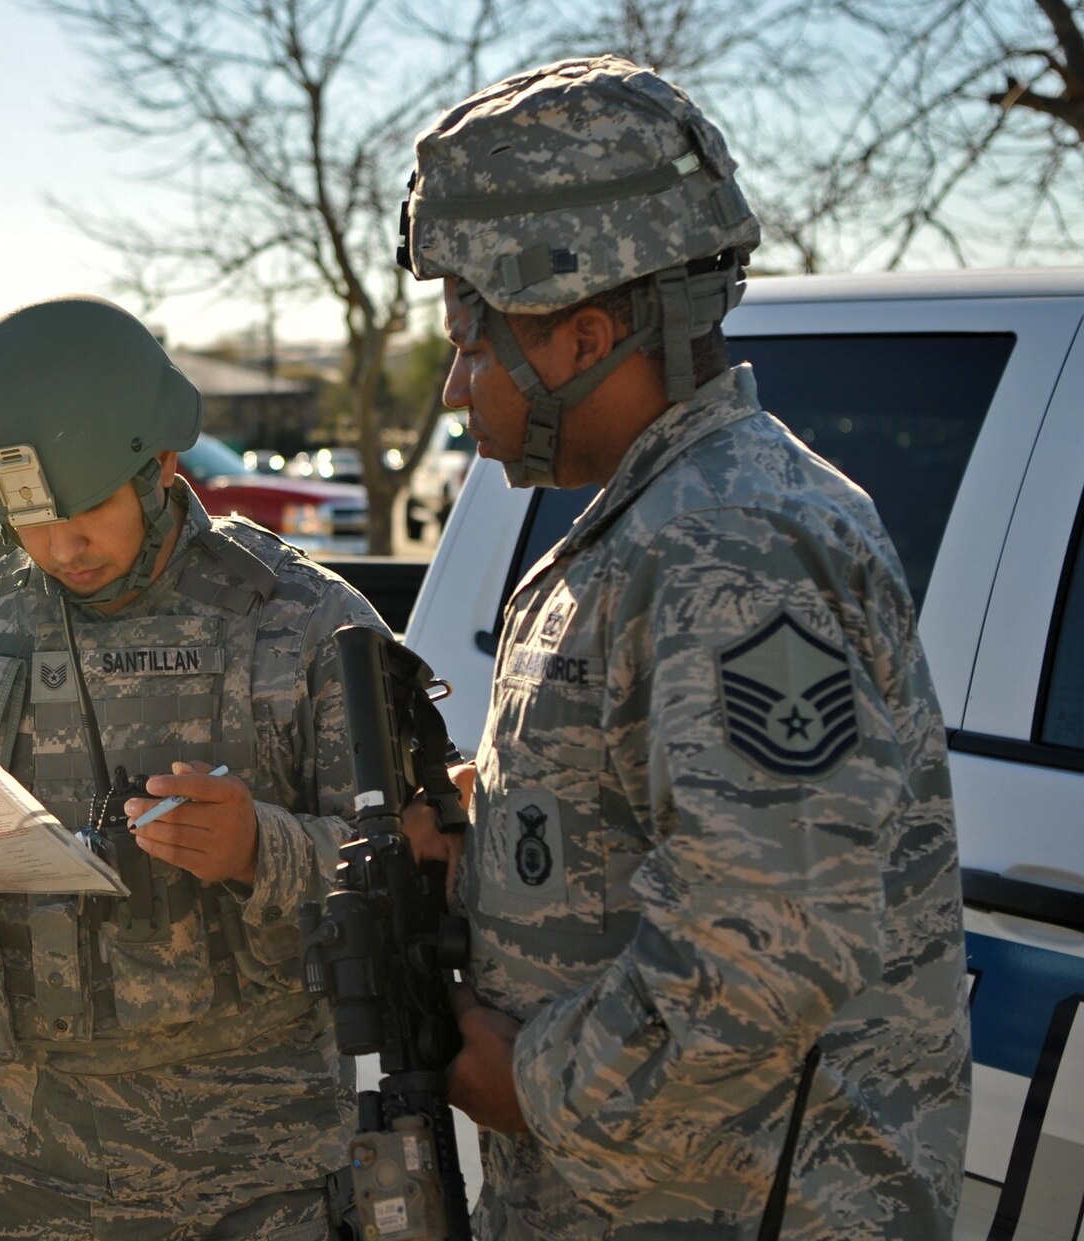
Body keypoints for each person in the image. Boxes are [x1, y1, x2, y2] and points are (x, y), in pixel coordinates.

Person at [394, 56, 971, 1237]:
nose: (457, 386)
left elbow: (768, 939)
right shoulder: (661, 520)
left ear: (582, 334)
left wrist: (529, 1082)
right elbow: (656, 819)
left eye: (472, 338)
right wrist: (486, 826)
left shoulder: (730, 542)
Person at [0, 294, 385, 1239]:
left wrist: (262, 848)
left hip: (246, 1171)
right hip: (6, 1162)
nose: (60, 548)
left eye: (84, 513)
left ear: (160, 463)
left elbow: (415, 865)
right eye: (29, 521)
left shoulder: (297, 618)